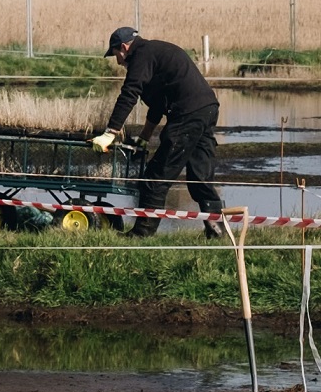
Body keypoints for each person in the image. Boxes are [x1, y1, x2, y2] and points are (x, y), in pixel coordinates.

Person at [90, 25, 224, 236]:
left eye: (116, 55)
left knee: (155, 178)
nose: (118, 61)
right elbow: (158, 105)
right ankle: (218, 232)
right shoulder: (155, 51)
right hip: (207, 109)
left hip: (188, 115)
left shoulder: (141, 56)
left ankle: (142, 234)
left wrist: (110, 133)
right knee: (200, 178)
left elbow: (129, 93)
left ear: (124, 47)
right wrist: (144, 137)